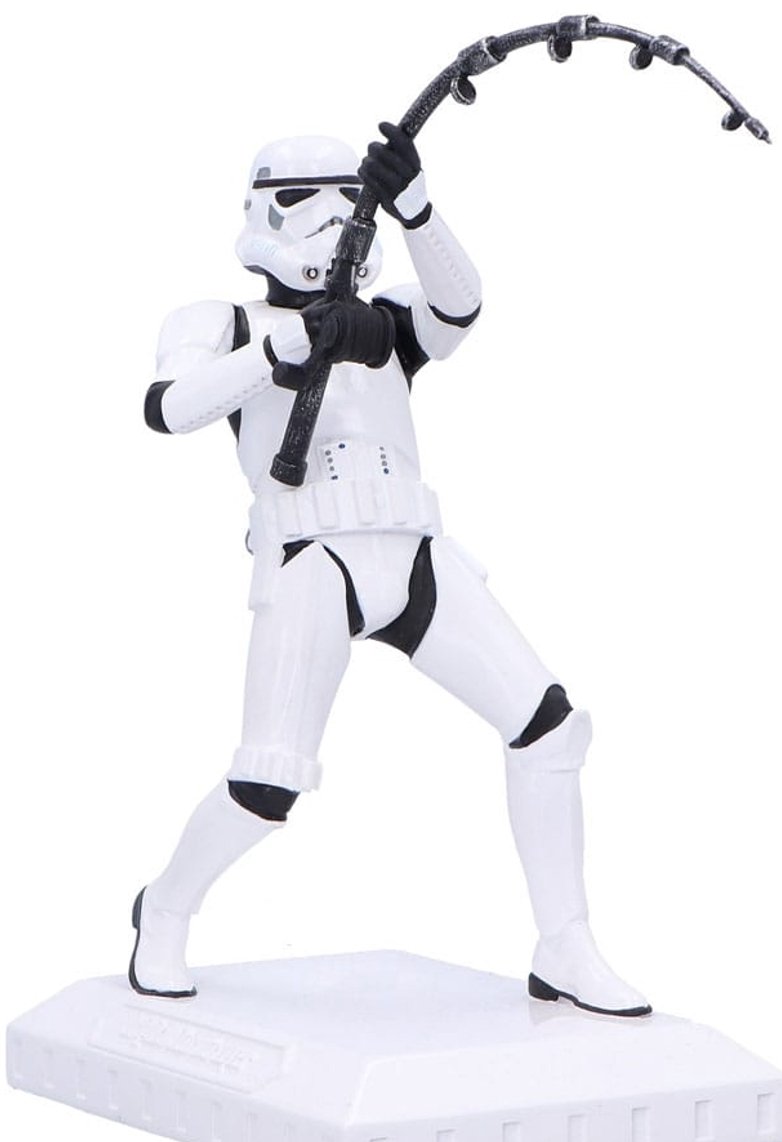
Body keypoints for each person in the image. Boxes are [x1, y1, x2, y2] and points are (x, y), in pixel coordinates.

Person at [129, 124, 650, 1018]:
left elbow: (460, 310)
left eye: (351, 203)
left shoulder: (388, 321)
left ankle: (564, 943)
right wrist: (279, 353)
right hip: (310, 559)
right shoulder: (221, 323)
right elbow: (168, 408)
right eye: (308, 204)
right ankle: (166, 906)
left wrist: (418, 209)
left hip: (414, 550)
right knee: (267, 783)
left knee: (549, 729)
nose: (332, 226)